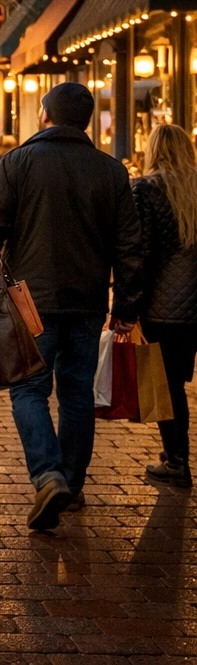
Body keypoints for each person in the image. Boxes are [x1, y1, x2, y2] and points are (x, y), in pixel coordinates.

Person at [0, 82, 141, 529]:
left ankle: (48, 473)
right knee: (76, 393)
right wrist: (126, 304)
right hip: (88, 300)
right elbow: (129, 245)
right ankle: (70, 481)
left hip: (30, 300)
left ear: (45, 116)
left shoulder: (18, 162)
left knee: (29, 388)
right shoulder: (110, 171)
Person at [130, 123, 197, 487]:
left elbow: (139, 253)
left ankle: (176, 461)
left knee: (167, 386)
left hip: (161, 308)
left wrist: (129, 304)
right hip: (192, 310)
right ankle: (175, 452)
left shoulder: (146, 188)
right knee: (178, 380)